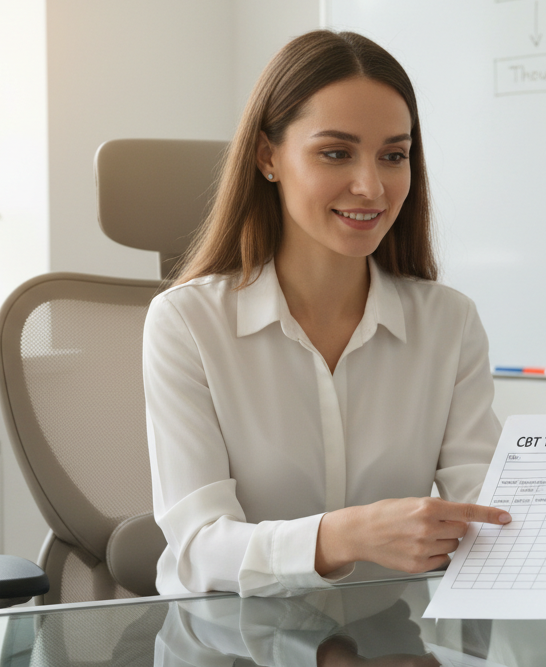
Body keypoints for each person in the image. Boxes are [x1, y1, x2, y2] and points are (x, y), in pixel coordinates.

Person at [144, 30, 510, 599]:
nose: (371, 187)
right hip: (230, 649)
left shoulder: (449, 323)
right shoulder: (187, 323)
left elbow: (489, 522)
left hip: (392, 645)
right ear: (269, 157)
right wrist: (343, 537)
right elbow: (198, 547)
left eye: (394, 155)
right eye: (335, 153)